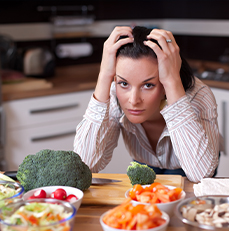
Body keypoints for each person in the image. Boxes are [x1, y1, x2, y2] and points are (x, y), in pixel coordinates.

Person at [74, 26, 220, 182]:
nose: (133, 100)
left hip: (191, 165)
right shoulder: (113, 93)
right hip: (144, 163)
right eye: (124, 83)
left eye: (148, 85)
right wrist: (104, 75)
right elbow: (84, 165)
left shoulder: (198, 96)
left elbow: (201, 175)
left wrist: (172, 81)